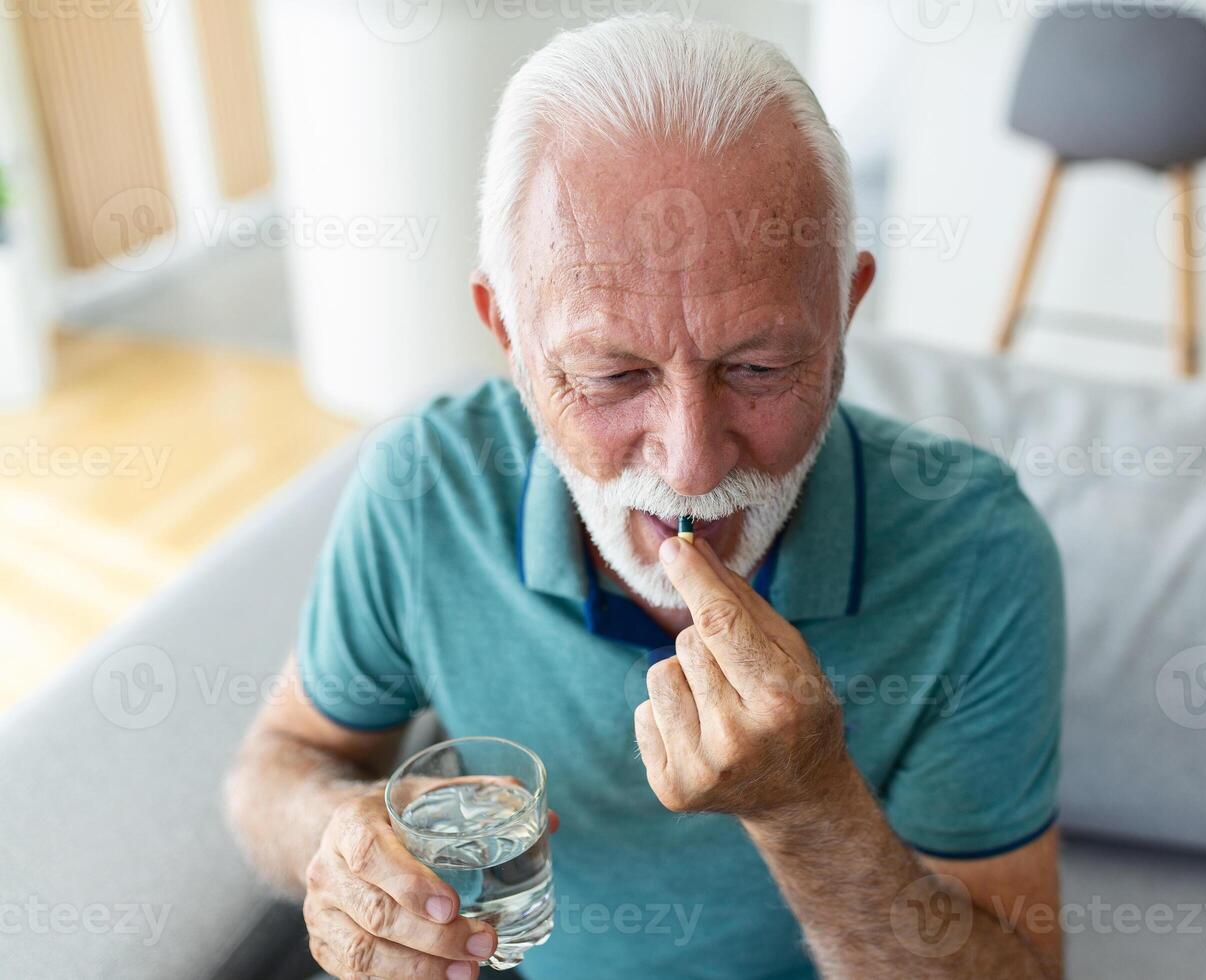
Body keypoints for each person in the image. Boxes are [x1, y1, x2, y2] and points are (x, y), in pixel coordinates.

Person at [227, 13, 1065, 979]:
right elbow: (280, 762)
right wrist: (334, 843)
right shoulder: (424, 488)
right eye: (612, 376)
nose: (692, 466)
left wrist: (809, 808)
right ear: (505, 329)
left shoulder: (977, 549)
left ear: (845, 314)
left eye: (757, 367)